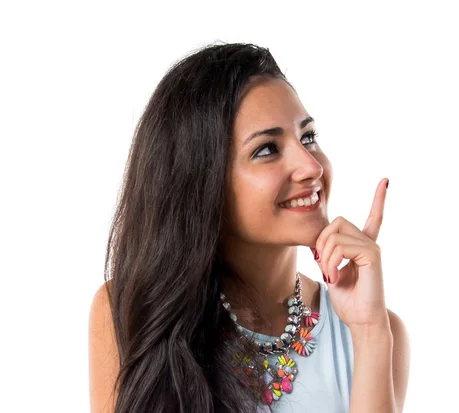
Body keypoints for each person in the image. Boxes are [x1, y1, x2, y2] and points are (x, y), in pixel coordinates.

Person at [88, 42, 410, 413]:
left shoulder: (375, 333)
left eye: (308, 137)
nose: (312, 167)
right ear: (204, 182)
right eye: (267, 149)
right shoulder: (130, 312)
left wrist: (369, 331)